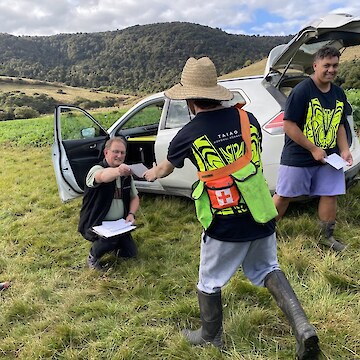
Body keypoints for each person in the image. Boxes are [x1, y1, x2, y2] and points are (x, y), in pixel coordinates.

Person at [143, 57, 320, 359]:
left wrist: (150, 174)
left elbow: (166, 169)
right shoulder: (247, 119)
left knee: (209, 280)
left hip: (224, 221)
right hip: (262, 212)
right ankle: (303, 327)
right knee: (269, 268)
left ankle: (210, 336)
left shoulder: (187, 134)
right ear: (215, 93)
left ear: (189, 100)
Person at [273, 46, 353, 251]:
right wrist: (313, 148)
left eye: (335, 65)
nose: (331, 70)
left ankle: (327, 236)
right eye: (326, 65)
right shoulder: (302, 91)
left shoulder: (338, 93)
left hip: (330, 157)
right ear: (315, 66)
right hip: (298, 156)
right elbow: (289, 125)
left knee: (329, 194)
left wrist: (344, 150)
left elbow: (340, 124)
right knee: (284, 195)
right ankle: (265, 235)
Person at [78, 136, 140, 270]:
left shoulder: (126, 176)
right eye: (116, 152)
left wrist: (131, 214)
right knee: (109, 239)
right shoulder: (96, 169)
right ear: (106, 152)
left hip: (120, 224)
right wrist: (118, 171)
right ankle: (93, 257)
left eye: (122, 153)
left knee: (130, 253)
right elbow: (102, 176)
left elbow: (134, 197)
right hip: (97, 223)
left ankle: (115, 244)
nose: (119, 155)